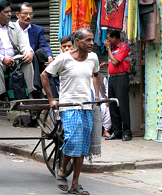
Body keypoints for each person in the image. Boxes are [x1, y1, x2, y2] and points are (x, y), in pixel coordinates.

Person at [41, 28, 100, 195]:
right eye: (87, 40)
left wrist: (96, 94)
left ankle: (75, 184)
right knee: (73, 140)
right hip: (68, 106)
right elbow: (44, 75)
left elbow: (96, 75)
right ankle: (61, 169)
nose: (91, 43)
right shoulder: (64, 58)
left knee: (82, 147)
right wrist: (51, 99)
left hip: (86, 106)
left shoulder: (93, 58)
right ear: (77, 42)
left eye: (92, 40)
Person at [16, 2, 53, 98]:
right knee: (30, 57)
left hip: (33, 60)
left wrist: (49, 56)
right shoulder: (11, 28)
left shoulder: (37, 30)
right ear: (17, 15)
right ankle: (37, 90)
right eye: (25, 13)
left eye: (30, 14)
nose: (28, 16)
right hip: (18, 59)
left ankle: (38, 88)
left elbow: (44, 45)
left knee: (39, 53)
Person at [100, 30, 132, 141]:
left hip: (121, 78)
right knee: (113, 105)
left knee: (123, 105)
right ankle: (117, 132)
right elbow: (113, 63)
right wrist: (107, 65)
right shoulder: (113, 49)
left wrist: (108, 48)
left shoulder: (123, 47)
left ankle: (127, 132)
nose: (107, 41)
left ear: (114, 38)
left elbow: (115, 62)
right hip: (112, 79)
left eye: (109, 38)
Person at [91, 73, 112, 137]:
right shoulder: (84, 77)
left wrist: (107, 98)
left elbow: (107, 89)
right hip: (88, 101)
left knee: (108, 108)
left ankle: (106, 130)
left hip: (101, 100)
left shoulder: (102, 77)